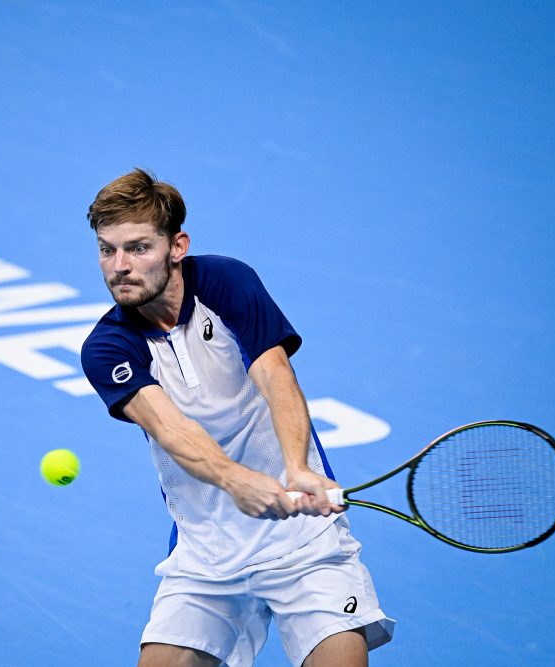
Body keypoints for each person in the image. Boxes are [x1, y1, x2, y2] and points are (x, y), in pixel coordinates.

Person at [80, 169, 394, 667]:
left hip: (305, 546)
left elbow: (275, 374)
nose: (119, 266)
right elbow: (171, 429)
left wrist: (297, 468)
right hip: (207, 557)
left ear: (177, 246)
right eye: (106, 250)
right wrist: (238, 481)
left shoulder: (226, 282)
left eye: (138, 248)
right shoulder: (106, 348)